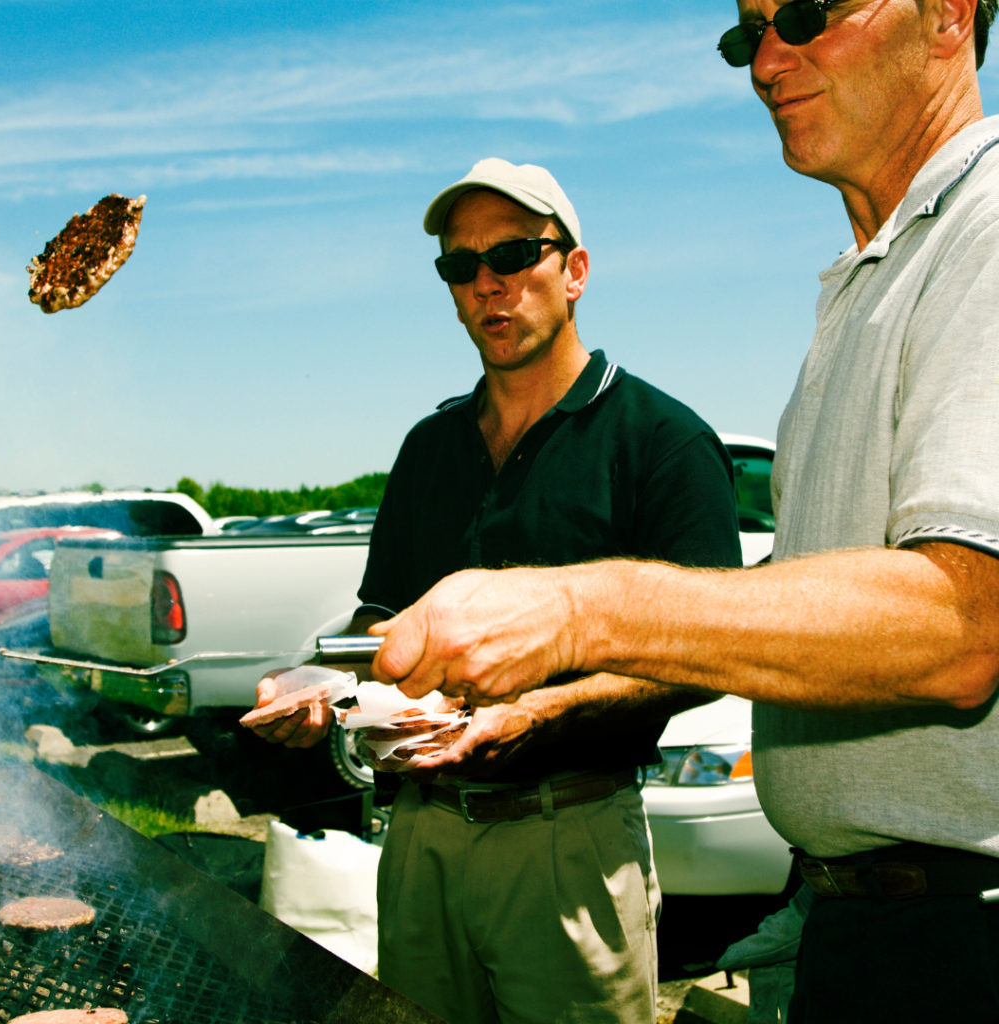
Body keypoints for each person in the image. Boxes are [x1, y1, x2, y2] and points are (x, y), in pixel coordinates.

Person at [368, 2, 999, 1021]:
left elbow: (963, 619)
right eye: (743, 36)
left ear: (947, 17)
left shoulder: (988, 231)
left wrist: (580, 614)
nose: (766, 62)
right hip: (863, 914)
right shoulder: (872, 280)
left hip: (958, 932)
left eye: (803, 14)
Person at [247, 157, 742, 1024]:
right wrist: (324, 682)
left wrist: (545, 716)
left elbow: (708, 656)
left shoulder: (660, 440)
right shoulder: (430, 446)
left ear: (574, 270)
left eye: (514, 256)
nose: (488, 285)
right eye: (460, 265)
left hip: (568, 837)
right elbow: (382, 617)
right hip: (422, 835)